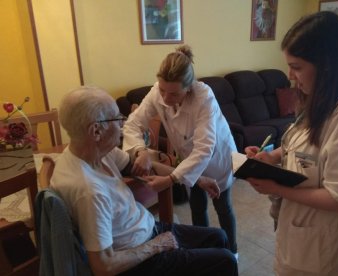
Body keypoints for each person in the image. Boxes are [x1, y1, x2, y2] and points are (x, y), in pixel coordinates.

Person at [244, 11, 338, 275]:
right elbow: (313, 143)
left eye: (296, 67)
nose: (290, 75)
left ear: (327, 64)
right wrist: (272, 157)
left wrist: (277, 188)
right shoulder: (325, 95)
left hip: (325, 249)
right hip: (302, 237)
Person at [50, 86, 238, 276]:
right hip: (141, 257)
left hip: (147, 229)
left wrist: (198, 179)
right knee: (226, 260)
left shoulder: (97, 152)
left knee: (219, 237)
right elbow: (104, 267)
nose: (122, 124)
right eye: (117, 118)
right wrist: (155, 246)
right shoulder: (89, 191)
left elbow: (144, 169)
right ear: (96, 131)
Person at [122, 45, 239, 256]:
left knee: (223, 207)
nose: (166, 98)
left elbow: (204, 148)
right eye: (163, 90)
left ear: (189, 87)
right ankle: (205, 253)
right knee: (196, 205)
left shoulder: (204, 97)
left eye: (174, 93)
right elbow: (132, 124)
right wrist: (140, 151)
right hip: (188, 160)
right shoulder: (157, 92)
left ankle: (232, 252)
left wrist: (170, 179)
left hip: (217, 158)